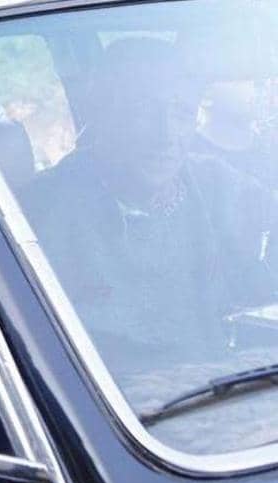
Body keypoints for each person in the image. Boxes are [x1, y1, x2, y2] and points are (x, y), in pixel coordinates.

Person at [21, 37, 275, 372]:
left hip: (227, 389)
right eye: (143, 109)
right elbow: (33, 362)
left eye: (182, 114)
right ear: (103, 113)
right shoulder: (39, 213)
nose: (166, 135)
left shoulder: (219, 187)